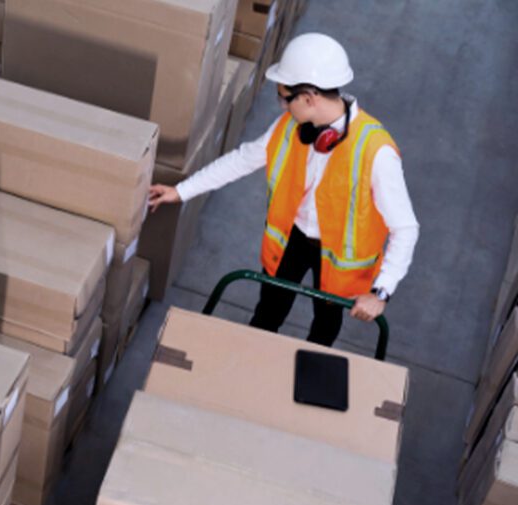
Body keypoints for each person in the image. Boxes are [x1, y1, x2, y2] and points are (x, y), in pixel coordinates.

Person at [149, 33, 419, 346]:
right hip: (292, 240)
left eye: (285, 98)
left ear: (309, 98)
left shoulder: (375, 151)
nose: (282, 106)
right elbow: (242, 160)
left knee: (323, 329)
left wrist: (381, 292)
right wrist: (181, 191)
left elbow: (405, 228)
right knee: (267, 313)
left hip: (337, 262)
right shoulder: (290, 129)